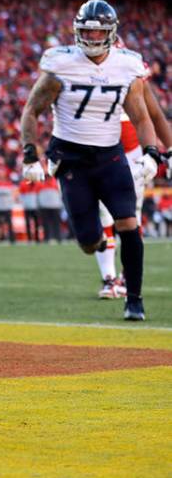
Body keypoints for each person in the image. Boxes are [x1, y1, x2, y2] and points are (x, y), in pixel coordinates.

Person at [20, 0, 161, 321]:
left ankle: (134, 300)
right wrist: (31, 152)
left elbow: (141, 117)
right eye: (87, 32)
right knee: (87, 241)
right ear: (76, 31)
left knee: (129, 224)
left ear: (111, 34)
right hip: (71, 158)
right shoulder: (61, 64)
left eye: (100, 33)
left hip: (110, 156)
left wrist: (152, 151)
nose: (93, 39)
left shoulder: (127, 66)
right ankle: (96, 242)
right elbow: (32, 109)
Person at [92, 41, 171, 299]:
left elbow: (154, 114)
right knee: (102, 216)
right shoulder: (81, 69)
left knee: (129, 216)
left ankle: (126, 276)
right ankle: (108, 277)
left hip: (132, 152)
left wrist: (168, 149)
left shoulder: (131, 70)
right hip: (100, 148)